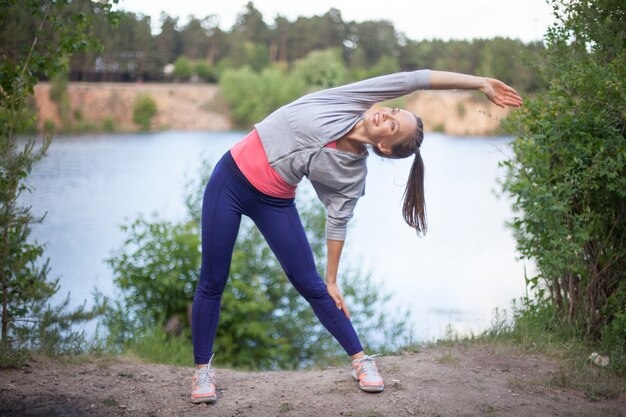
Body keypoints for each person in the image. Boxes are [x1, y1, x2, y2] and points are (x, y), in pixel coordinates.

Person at [190, 69, 523, 403]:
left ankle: (361, 361)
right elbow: (416, 79)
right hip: (229, 181)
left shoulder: (351, 174)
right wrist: (479, 83)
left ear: (385, 146)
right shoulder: (349, 101)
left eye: (392, 126)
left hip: (274, 201)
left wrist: (332, 279)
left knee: (314, 285)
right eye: (394, 111)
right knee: (213, 278)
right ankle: (202, 371)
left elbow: (338, 221)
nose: (386, 115)